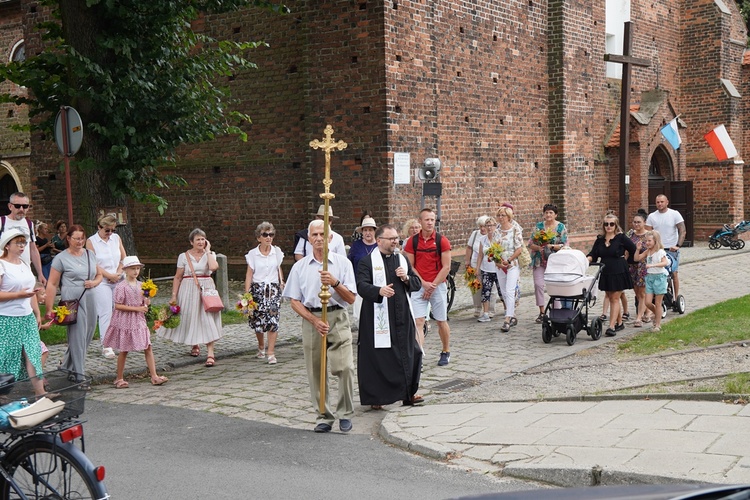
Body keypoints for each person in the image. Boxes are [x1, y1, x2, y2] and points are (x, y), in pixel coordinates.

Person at [283, 219, 356, 433]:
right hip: (312, 320)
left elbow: (351, 298)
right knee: (316, 370)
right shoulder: (300, 267)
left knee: (345, 367)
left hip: (337, 317)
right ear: (308, 238)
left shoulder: (343, 264)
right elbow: (294, 300)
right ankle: (323, 415)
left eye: (323, 235)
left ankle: (345, 413)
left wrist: (334, 283)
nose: (318, 239)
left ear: (330, 238)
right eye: (314, 235)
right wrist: (314, 321)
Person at [356, 224, 422, 409]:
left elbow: (416, 283)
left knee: (410, 353)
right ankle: (377, 398)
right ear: (379, 241)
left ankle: (409, 393)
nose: (395, 242)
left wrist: (407, 278)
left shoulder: (402, 259)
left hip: (402, 315)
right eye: (391, 239)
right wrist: (379, 290)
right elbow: (361, 286)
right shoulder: (366, 262)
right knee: (380, 357)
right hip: (378, 317)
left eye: (396, 239)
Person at [44, 224, 102, 386]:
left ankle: (67, 366)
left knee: (88, 334)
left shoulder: (90, 254)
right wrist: (49, 308)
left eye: (82, 238)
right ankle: (79, 374)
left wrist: (94, 282)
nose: (80, 241)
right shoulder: (61, 258)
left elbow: (99, 274)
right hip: (72, 301)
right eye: (76, 238)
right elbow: (52, 284)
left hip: (89, 297)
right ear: (68, 238)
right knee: (77, 336)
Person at [157, 228, 222, 367]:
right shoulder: (184, 256)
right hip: (188, 288)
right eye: (198, 239)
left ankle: (210, 353)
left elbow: (214, 267)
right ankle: (195, 344)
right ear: (191, 242)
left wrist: (208, 250)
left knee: (207, 319)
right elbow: (178, 277)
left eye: (203, 239)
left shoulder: (210, 254)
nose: (201, 242)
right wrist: (174, 295)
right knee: (191, 316)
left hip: (206, 288)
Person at [102, 256, 169, 388]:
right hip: (126, 320)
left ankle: (154, 375)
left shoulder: (142, 285)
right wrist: (137, 308)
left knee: (147, 346)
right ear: (125, 270)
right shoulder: (121, 286)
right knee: (124, 349)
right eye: (133, 269)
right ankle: (119, 378)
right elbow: (118, 305)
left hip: (138, 320)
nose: (136, 271)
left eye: (138, 269)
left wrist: (147, 299)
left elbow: (145, 303)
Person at [404, 208, 452, 366]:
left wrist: (432, 286)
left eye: (432, 219)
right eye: (427, 220)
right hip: (419, 284)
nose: (430, 222)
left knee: (440, 321)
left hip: (438, 285)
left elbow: (446, 267)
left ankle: (445, 350)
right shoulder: (413, 241)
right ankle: (418, 355)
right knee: (418, 321)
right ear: (420, 221)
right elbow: (410, 266)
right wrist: (423, 283)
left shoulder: (441, 240)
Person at [0, 228, 45, 395]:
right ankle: (4, 396)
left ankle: (40, 393)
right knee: (6, 357)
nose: (21, 246)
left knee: (33, 354)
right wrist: (18, 295)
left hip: (26, 317)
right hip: (7, 318)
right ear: (7, 246)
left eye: (23, 243)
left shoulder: (25, 264)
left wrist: (37, 313)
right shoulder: (2, 265)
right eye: (18, 243)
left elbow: (31, 291)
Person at [586, 213, 636, 337]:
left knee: (614, 298)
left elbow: (633, 249)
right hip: (605, 270)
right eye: (606, 224)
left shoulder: (621, 238)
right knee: (609, 295)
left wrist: (627, 261)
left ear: (616, 225)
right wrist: (586, 259)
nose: (608, 226)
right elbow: (594, 254)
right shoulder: (599, 240)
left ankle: (611, 326)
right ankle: (619, 322)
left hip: (619, 270)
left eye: (611, 224)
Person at [86, 214, 126, 360]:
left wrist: (118, 272)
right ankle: (107, 344)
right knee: (105, 311)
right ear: (99, 227)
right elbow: (93, 263)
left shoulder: (116, 239)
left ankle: (120, 340)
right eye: (107, 230)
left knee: (120, 309)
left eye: (112, 230)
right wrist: (108, 275)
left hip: (118, 277)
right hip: (101, 280)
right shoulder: (91, 241)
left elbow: (123, 258)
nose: (110, 233)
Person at [244, 222, 285, 365]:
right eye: (265, 235)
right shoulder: (252, 254)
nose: (268, 238)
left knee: (273, 320)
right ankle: (261, 346)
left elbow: (278, 268)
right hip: (258, 289)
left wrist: (282, 282)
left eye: (271, 234)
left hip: (273, 289)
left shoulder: (277, 252)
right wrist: (246, 293)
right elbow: (249, 274)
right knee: (259, 321)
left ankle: (271, 352)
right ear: (258, 238)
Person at [528, 204, 568, 322]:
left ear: (555, 214)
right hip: (539, 260)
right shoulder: (539, 227)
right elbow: (530, 243)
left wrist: (552, 246)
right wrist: (539, 248)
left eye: (551, 212)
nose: (548, 215)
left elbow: (565, 245)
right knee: (538, 285)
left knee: (554, 286)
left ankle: (556, 312)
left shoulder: (560, 227)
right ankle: (541, 312)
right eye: (546, 212)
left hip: (554, 261)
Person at [646, 194, 686, 298]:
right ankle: (657, 295)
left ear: (667, 202)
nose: (659, 204)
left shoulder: (674, 214)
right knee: (655, 272)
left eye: (662, 202)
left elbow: (682, 230)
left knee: (674, 273)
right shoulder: (652, 216)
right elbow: (648, 233)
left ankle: (675, 297)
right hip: (657, 249)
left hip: (671, 249)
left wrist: (678, 245)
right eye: (657, 202)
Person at [2, 192, 46, 286]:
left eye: (25, 206)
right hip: (5, 272)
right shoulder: (2, 222)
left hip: (25, 270)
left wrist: (40, 273)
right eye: (17, 206)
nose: (21, 209)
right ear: (10, 206)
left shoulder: (29, 224)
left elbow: (33, 249)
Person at [494, 206, 524, 332]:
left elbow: (519, 249)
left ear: (509, 217)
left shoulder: (515, 229)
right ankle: (512, 314)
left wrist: (509, 260)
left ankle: (507, 318)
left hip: (512, 264)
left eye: (503, 215)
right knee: (504, 291)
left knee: (510, 290)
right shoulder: (497, 230)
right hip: (500, 264)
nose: (501, 218)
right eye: (499, 215)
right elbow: (493, 247)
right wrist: (498, 260)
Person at [633, 230, 669, 332]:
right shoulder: (647, 252)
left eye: (649, 241)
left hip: (659, 277)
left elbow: (665, 263)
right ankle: (658, 314)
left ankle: (657, 324)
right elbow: (637, 258)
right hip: (649, 277)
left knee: (658, 303)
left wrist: (653, 265)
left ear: (655, 241)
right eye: (646, 241)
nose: (647, 243)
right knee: (648, 302)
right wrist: (637, 249)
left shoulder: (660, 252)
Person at [348, 216, 378, 326]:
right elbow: (349, 264)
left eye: (370, 230)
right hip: (359, 284)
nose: (368, 233)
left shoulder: (379, 245)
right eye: (365, 230)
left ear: (375, 231)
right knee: (361, 314)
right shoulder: (356, 246)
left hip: (376, 283)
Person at [465, 215, 496, 318]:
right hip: (475, 264)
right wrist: (467, 261)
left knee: (491, 288)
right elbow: (469, 248)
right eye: (480, 226)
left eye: (484, 226)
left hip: (489, 265)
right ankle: (477, 307)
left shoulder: (494, 235)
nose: (483, 229)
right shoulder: (475, 234)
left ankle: (490, 309)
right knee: (476, 287)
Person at [476, 217, 501, 323]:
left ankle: (508, 311)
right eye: (487, 225)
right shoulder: (483, 239)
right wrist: (477, 268)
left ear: (495, 226)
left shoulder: (499, 238)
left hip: (498, 269)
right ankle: (485, 313)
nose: (489, 228)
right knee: (485, 291)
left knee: (501, 291)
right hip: (486, 269)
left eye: (491, 225)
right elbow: (480, 255)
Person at [627, 209, 649, 327]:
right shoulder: (630, 234)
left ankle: (639, 318)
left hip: (644, 266)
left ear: (644, 222)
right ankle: (647, 311)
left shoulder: (649, 235)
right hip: (632, 265)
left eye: (639, 222)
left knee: (642, 292)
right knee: (636, 291)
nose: (636, 224)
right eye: (634, 222)